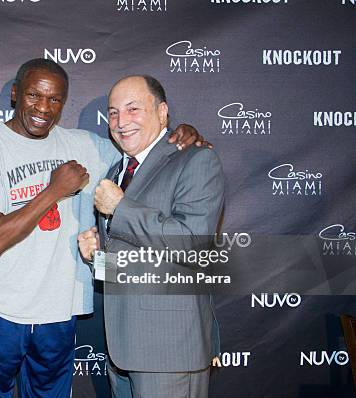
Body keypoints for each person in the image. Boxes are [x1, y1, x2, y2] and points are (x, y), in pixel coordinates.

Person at [0, 59, 207, 397]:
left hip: (59, 312)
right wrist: (54, 191)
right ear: (15, 94)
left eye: (54, 99)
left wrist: (180, 134)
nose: (43, 107)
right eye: (33, 95)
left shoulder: (88, 146)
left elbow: (144, 148)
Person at [78, 75, 225, 398]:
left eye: (133, 109)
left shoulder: (196, 159)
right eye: (114, 113)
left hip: (169, 350)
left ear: (162, 113)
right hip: (122, 349)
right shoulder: (117, 172)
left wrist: (120, 208)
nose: (120, 121)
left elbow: (192, 244)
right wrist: (96, 260)